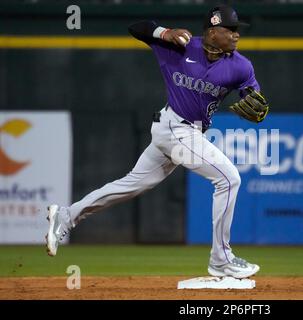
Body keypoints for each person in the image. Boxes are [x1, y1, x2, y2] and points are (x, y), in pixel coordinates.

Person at [45, 4, 269, 279]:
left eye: (237, 30)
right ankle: (221, 259)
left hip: (187, 133)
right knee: (228, 178)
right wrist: (164, 33)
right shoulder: (180, 47)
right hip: (174, 126)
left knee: (129, 186)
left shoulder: (240, 65)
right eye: (230, 29)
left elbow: (252, 95)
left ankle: (66, 216)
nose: (236, 35)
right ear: (212, 31)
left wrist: (253, 102)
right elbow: (136, 27)